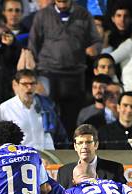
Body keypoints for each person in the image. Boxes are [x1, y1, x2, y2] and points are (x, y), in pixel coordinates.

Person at [28, 0, 101, 137]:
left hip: (75, 75)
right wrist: (34, 76)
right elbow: (32, 45)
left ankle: (69, 148)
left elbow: (96, 41)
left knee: (71, 117)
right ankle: (48, 146)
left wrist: (94, 49)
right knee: (46, 113)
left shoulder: (84, 14)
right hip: (47, 72)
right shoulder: (42, 15)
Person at [0, 69, 67, 150]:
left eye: (32, 83)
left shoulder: (46, 105)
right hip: (20, 157)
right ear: (15, 85)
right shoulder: (5, 108)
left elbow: (58, 134)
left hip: (46, 156)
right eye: (25, 84)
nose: (29, 87)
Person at [57, 124, 126, 189]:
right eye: (80, 143)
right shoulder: (63, 172)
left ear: (96, 145)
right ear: (75, 146)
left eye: (88, 142)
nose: (84, 146)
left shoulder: (114, 169)